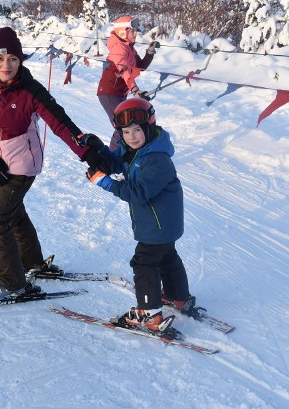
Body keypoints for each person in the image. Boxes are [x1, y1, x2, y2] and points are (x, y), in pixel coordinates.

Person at [0, 27, 109, 300]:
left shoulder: (30, 89)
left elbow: (59, 122)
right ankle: (31, 263)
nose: (7, 65)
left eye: (13, 59)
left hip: (21, 164)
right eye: (1, 59)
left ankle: (11, 281)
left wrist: (86, 152)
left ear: (20, 60)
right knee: (13, 213)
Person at [81, 98, 202, 332]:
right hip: (163, 225)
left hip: (156, 225)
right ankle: (178, 297)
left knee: (144, 262)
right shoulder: (135, 151)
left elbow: (138, 193)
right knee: (167, 257)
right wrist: (98, 148)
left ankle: (149, 314)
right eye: (126, 132)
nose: (132, 136)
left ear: (148, 128)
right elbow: (116, 163)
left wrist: (105, 183)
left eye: (137, 130)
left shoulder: (157, 159)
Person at [97, 15, 159, 151]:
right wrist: (135, 90)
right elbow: (125, 72)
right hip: (109, 93)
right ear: (122, 31)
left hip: (120, 93)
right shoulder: (118, 49)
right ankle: (112, 158)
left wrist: (150, 52)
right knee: (121, 125)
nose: (136, 33)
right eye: (133, 30)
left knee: (127, 123)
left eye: (136, 30)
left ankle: (124, 154)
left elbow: (140, 66)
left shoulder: (129, 47)